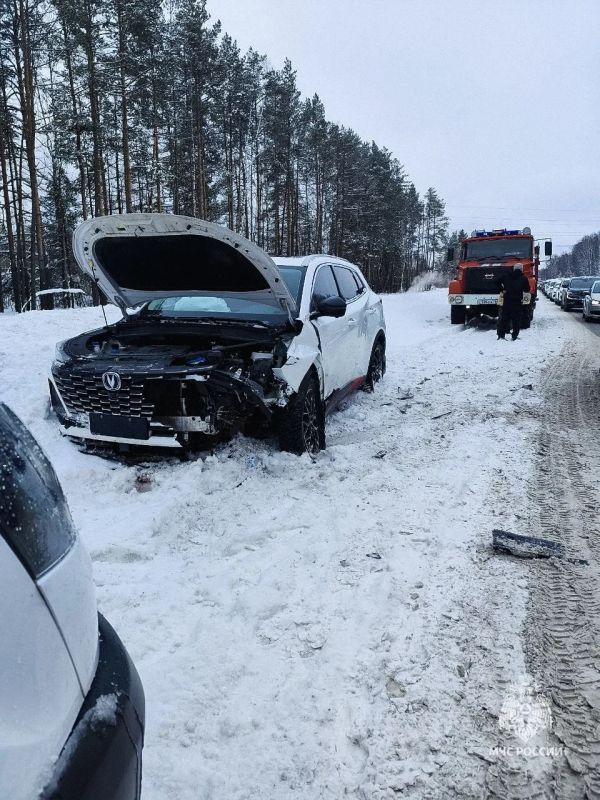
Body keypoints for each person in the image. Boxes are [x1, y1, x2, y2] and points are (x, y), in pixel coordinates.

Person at [496, 263, 530, 340]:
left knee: (504, 319)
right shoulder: (523, 278)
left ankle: (501, 335)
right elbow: (527, 289)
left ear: (514, 269)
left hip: (507, 301)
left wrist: (502, 289)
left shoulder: (506, 276)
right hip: (517, 302)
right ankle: (514, 335)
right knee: (516, 320)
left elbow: (496, 281)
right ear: (521, 269)